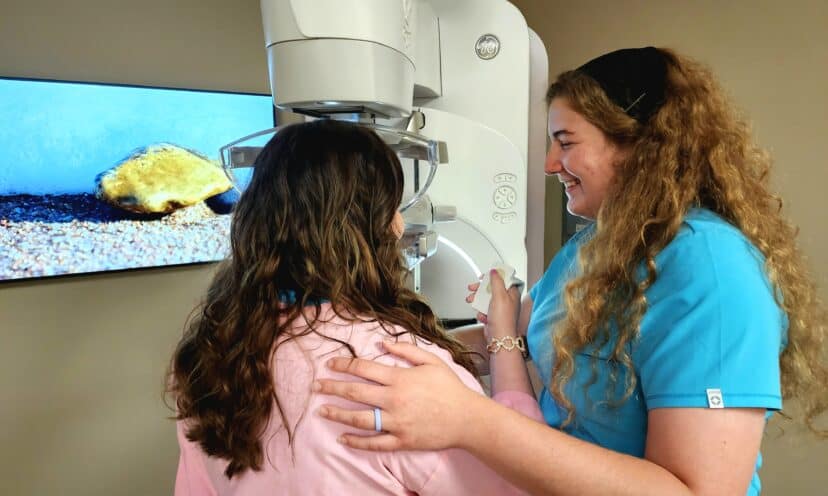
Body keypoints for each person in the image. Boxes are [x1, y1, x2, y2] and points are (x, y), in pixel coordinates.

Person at [315, 47, 828, 495]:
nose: (548, 164)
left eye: (566, 142)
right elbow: (509, 337)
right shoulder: (595, 246)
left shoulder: (711, 270)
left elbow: (698, 491)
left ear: (639, 147)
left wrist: (468, 420)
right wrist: (369, 348)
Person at [166, 119, 543, 495]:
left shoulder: (210, 355)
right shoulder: (407, 373)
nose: (399, 224)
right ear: (376, 227)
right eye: (394, 207)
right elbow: (521, 480)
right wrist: (504, 344)